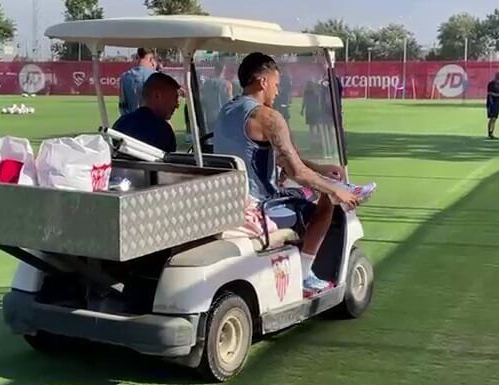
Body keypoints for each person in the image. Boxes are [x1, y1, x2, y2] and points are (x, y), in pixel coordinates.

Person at [214, 52, 360, 293]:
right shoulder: (268, 117)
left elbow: (283, 160)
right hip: (260, 207)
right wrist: (336, 189)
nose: (277, 91)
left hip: (229, 200)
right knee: (326, 201)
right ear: (263, 81)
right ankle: (304, 273)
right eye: (276, 84)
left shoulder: (226, 111)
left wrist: (321, 170)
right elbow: (298, 172)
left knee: (305, 192)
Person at [112, 72, 179, 153]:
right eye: (175, 98)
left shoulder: (120, 124)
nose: (177, 105)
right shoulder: (163, 131)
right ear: (157, 95)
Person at [118, 48, 157, 117]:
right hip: (151, 120)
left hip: (131, 120)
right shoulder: (156, 76)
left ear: (138, 56)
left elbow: (122, 106)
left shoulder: (125, 77)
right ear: (151, 59)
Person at [201, 62, 233, 133]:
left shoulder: (207, 83)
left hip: (210, 116)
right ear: (223, 70)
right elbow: (230, 103)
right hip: (222, 117)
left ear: (215, 70)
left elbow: (203, 101)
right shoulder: (227, 84)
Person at [486, 72, 499, 139]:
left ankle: (492, 132)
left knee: (495, 118)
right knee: (492, 118)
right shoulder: (491, 84)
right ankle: (489, 133)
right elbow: (490, 93)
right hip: (491, 103)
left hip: (497, 103)